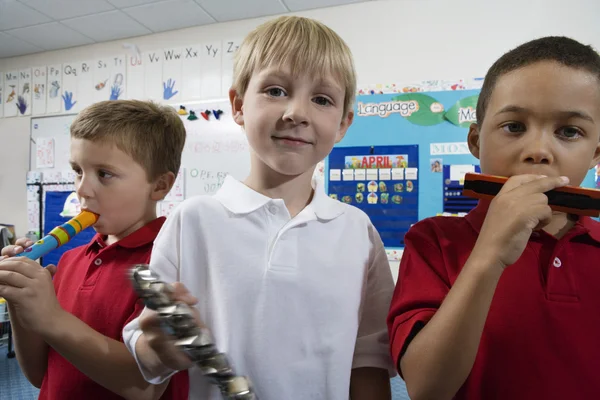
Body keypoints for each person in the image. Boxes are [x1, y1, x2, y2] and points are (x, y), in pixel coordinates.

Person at [123, 16, 396, 400]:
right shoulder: (193, 220)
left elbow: (368, 357)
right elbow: (146, 349)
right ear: (238, 105)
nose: (297, 113)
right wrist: (160, 349)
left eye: (321, 99)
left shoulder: (357, 229)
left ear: (343, 124)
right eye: (276, 90)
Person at [387, 36, 600, 400]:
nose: (538, 151)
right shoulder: (434, 240)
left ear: (596, 153)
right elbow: (427, 388)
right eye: (514, 126)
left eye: (569, 131)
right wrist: (488, 255)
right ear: (475, 142)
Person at [0, 100, 189, 400]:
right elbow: (38, 375)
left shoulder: (170, 262)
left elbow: (145, 388)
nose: (82, 189)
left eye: (104, 174)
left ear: (159, 186)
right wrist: (20, 297)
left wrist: (51, 317)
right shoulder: (69, 260)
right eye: (78, 171)